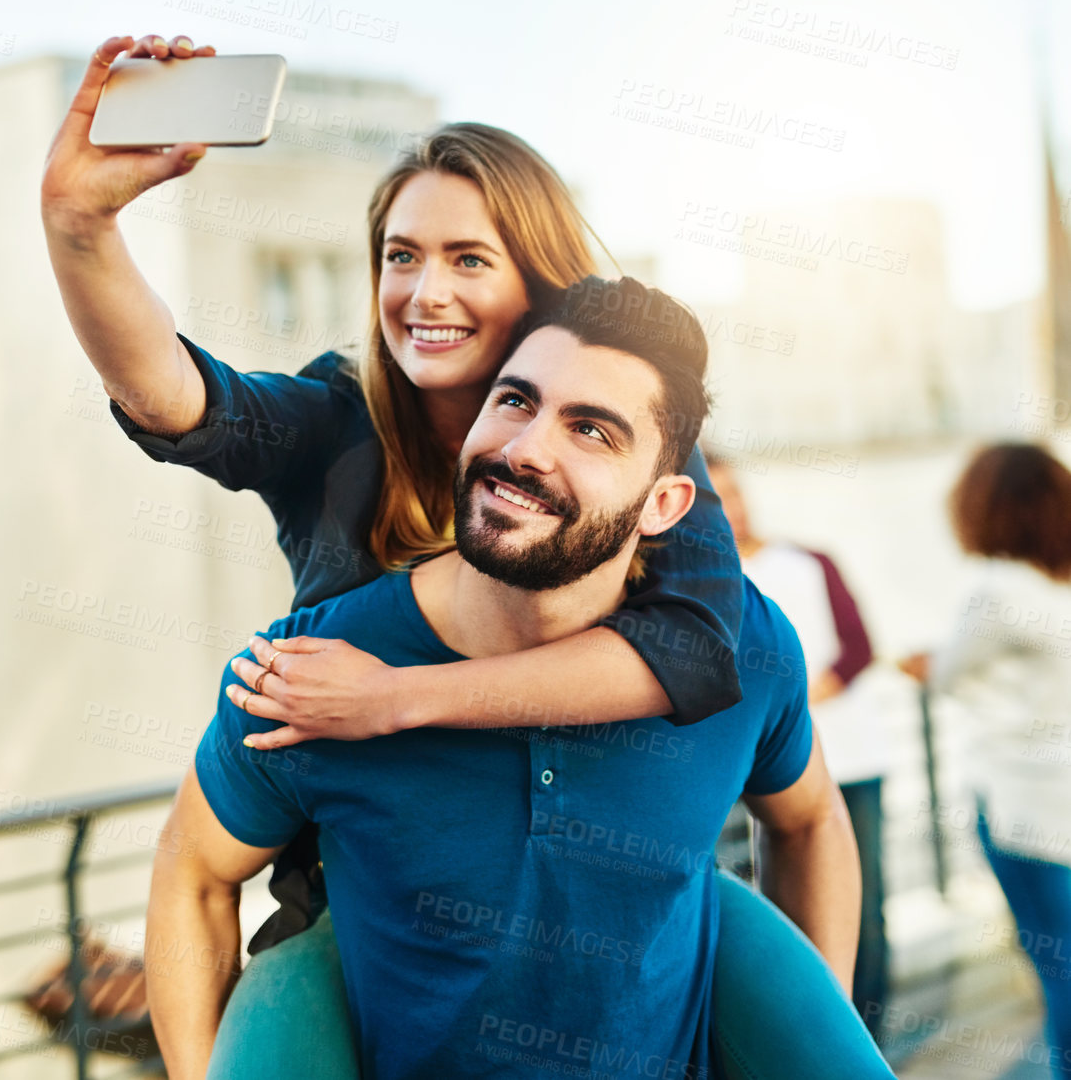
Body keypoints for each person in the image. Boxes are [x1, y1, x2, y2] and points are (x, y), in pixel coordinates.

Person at [41, 35, 875, 1078]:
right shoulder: (338, 425)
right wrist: (81, 226)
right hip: (367, 894)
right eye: (401, 255)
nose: (425, 293)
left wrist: (400, 697)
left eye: (468, 258)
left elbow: (705, 654)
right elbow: (180, 398)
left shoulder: (648, 467)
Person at [147, 278, 894, 1080]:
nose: (527, 447)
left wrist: (804, 1024)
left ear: (664, 503)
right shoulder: (312, 668)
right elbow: (192, 874)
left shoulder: (744, 649)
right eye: (514, 401)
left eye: (592, 431)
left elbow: (810, 819)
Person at [902, 444, 1071, 1079]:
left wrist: (918, 663)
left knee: (1059, 972)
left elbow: (947, 674)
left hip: (1026, 808)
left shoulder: (999, 591)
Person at [708, 451, 890, 1033]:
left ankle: (860, 1041)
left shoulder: (806, 562)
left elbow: (859, 647)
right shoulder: (694, 582)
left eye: (734, 494)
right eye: (715, 497)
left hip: (843, 761)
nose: (730, 509)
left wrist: (788, 701)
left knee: (858, 912)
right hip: (741, 769)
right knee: (755, 916)